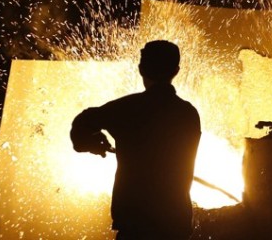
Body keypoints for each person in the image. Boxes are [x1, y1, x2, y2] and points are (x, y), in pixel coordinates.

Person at [71, 40, 202, 240]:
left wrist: (94, 143)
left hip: (135, 226)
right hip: (175, 225)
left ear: (141, 69)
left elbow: (82, 124)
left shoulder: (127, 109)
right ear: (176, 70)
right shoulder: (189, 114)